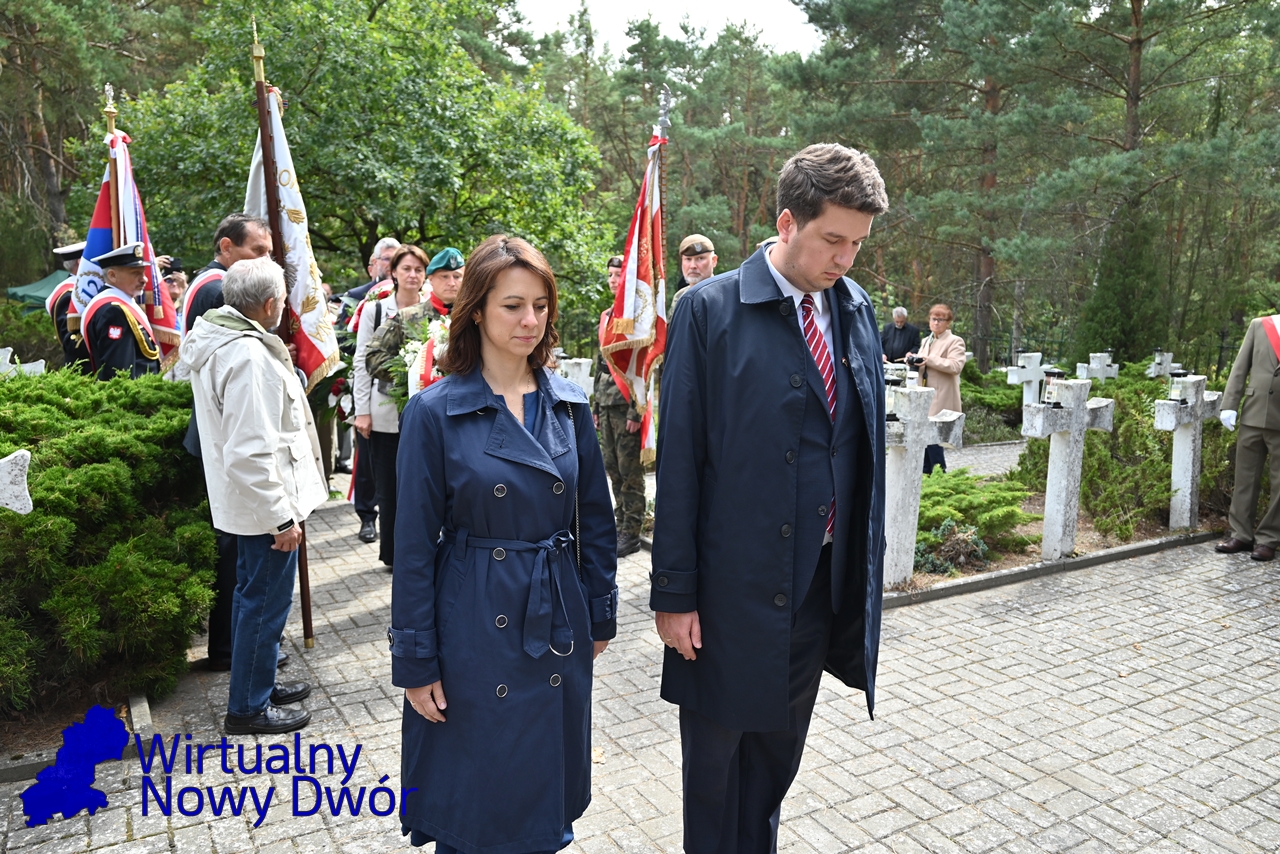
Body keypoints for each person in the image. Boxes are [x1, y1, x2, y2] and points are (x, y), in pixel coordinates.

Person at [651, 142, 888, 854]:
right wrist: (674, 594)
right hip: (728, 593)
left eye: (857, 243)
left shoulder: (855, 308)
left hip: (818, 586)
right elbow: (680, 460)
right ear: (788, 222)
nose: (845, 258)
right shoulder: (707, 310)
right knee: (716, 773)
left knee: (775, 767)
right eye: (833, 239)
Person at [391, 235, 618, 853]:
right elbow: (413, 549)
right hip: (472, 620)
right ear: (476, 310)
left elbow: (596, 520)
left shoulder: (569, 405)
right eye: (513, 306)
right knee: (474, 802)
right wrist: (416, 661)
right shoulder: (434, 412)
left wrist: (598, 613)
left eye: (541, 306)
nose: (530, 321)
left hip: (556, 615)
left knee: (541, 799)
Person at [181, 257, 326, 735]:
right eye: (282, 300)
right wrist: (280, 518)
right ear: (268, 304)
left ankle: (257, 684)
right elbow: (249, 452)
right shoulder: (245, 356)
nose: (285, 306)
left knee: (257, 601)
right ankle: (247, 707)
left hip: (253, 506)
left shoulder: (228, 340)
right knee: (262, 604)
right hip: (264, 509)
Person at [353, 244, 430, 571]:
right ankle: (393, 554)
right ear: (393, 272)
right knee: (389, 486)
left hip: (427, 414)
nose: (412, 275)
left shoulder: (434, 309)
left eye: (418, 269)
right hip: (384, 412)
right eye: (406, 269)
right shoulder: (376, 310)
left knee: (423, 487)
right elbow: (362, 362)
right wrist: (362, 410)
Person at [1216, 316, 1280, 561]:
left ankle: (1268, 539)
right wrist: (1229, 404)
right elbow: (1240, 367)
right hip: (1253, 413)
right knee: (1245, 477)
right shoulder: (1260, 325)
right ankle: (1241, 534)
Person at [593, 254, 645, 557]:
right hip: (606, 402)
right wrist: (596, 407)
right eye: (611, 275)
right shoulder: (607, 315)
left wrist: (636, 410)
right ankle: (620, 523)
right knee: (612, 468)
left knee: (630, 471)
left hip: (626, 405)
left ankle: (633, 531)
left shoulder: (636, 318)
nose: (613, 280)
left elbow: (641, 368)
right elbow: (601, 364)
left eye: (618, 275)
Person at [364, 247, 464, 383]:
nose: (451, 283)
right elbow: (373, 358)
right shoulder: (406, 318)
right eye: (444, 276)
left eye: (457, 277)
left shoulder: (475, 317)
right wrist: (412, 371)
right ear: (431, 279)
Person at [81, 243, 162, 380]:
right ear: (112, 275)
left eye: (143, 272)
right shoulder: (113, 311)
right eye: (135, 273)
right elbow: (119, 372)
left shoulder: (119, 304)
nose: (144, 279)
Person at [906, 303, 965, 474]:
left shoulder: (955, 341)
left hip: (941, 396)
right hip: (924, 394)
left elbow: (956, 366)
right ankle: (926, 472)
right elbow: (924, 364)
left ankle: (940, 472)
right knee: (923, 436)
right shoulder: (926, 340)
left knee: (934, 436)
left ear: (948, 322)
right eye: (933, 319)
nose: (936, 323)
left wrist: (929, 359)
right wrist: (913, 361)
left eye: (941, 320)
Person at [45, 241, 92, 373]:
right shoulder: (69, 294)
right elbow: (73, 343)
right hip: (84, 372)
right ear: (81, 262)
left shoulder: (82, 290)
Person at [670, 234, 718, 311]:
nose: (693, 266)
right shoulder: (679, 296)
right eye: (688, 259)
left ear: (714, 261)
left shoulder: (723, 296)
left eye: (700, 258)